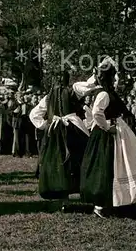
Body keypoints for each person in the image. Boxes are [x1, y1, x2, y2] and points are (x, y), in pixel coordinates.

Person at [78, 57, 136, 218]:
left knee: (121, 165)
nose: (115, 80)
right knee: (108, 166)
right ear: (109, 78)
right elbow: (97, 112)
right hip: (109, 133)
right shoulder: (103, 94)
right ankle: (101, 205)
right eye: (113, 77)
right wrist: (106, 127)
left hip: (116, 130)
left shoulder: (107, 92)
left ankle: (119, 200)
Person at [29, 70, 89, 211]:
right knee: (78, 159)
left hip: (55, 132)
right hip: (73, 129)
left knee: (59, 164)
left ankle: (64, 201)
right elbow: (87, 88)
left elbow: (34, 114)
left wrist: (45, 125)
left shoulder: (48, 97)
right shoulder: (73, 92)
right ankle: (83, 192)